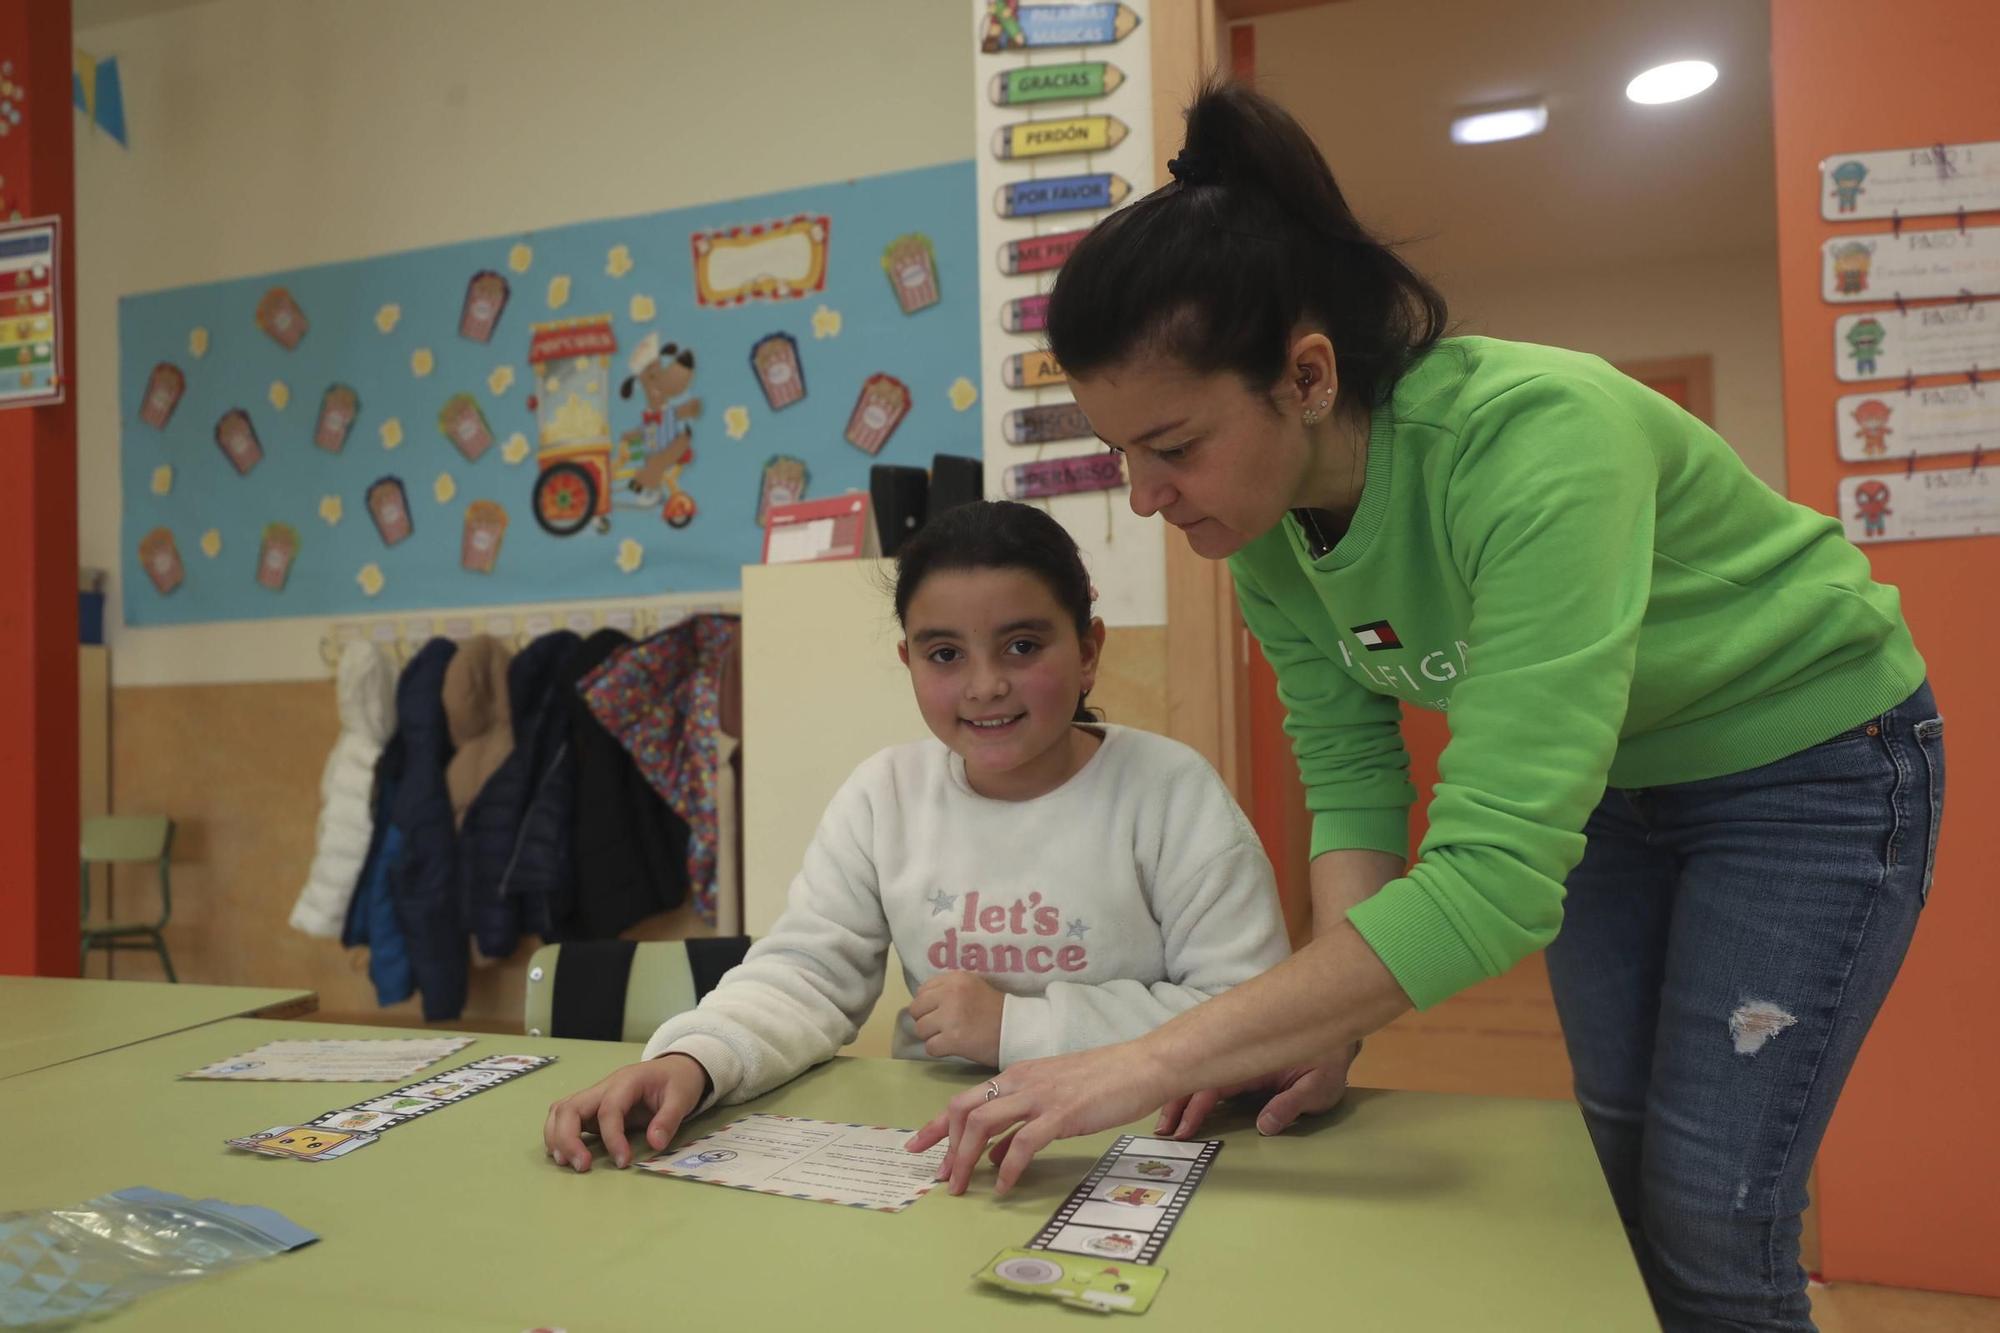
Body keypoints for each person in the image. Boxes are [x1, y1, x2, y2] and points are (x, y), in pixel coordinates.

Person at [908, 82, 1944, 1333]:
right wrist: (1333, 1026)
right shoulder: (1263, 534)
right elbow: (1349, 771)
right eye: (1119, 452)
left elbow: (1492, 877)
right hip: (1619, 779)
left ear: (1304, 374)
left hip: (1811, 758)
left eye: (1171, 445)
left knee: (1714, 1217)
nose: (1144, 497)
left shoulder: (1533, 440)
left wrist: (1142, 1059)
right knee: (1612, 1171)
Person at [542, 499, 1289, 1175]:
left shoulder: (1171, 791)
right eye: (945, 654)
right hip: (944, 1153)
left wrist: (1015, 1025)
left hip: (1141, 1147)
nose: (985, 684)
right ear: (909, 661)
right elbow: (802, 976)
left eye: (1023, 646)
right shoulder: (883, 796)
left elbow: (1252, 1009)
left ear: (1089, 648)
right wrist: (692, 1059)